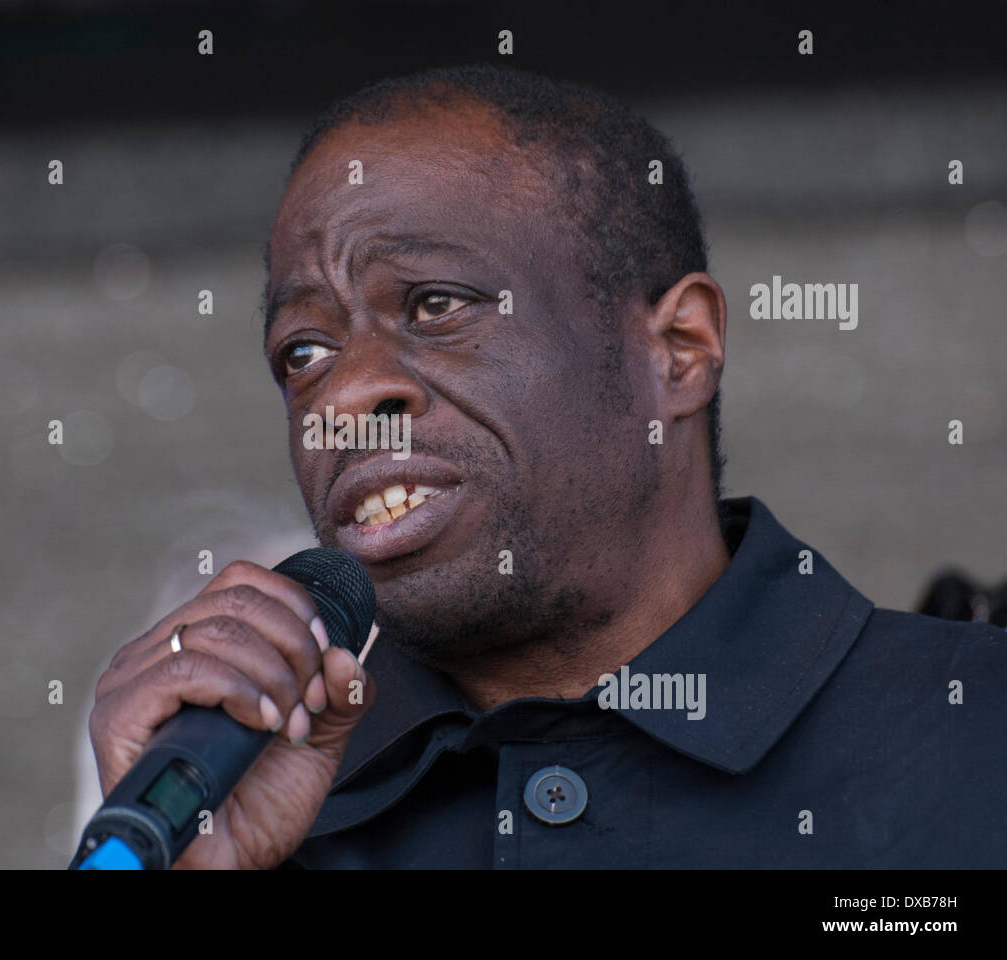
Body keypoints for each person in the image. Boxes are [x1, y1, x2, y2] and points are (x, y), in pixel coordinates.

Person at [88, 64, 1005, 868]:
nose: (342, 400)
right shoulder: (252, 810)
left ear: (678, 350)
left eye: (437, 304)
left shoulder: (973, 738)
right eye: (303, 354)